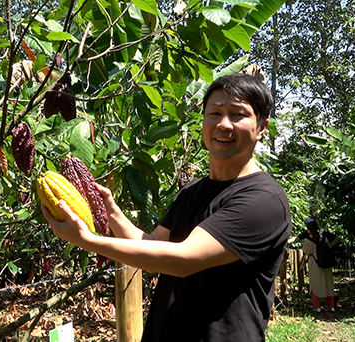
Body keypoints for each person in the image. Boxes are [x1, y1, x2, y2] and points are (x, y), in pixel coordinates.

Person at [41, 72, 292, 341]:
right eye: (215, 113)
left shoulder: (263, 200)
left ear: (262, 127)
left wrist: (86, 240)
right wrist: (110, 211)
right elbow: (151, 245)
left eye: (238, 115)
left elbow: (183, 260)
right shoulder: (192, 191)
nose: (223, 124)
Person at [302, 216, 340, 312]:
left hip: (315, 264)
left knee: (315, 285)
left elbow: (307, 252)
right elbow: (337, 238)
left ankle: (317, 306)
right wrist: (329, 247)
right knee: (328, 284)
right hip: (327, 263)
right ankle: (331, 306)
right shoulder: (325, 235)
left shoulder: (307, 240)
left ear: (308, 228)